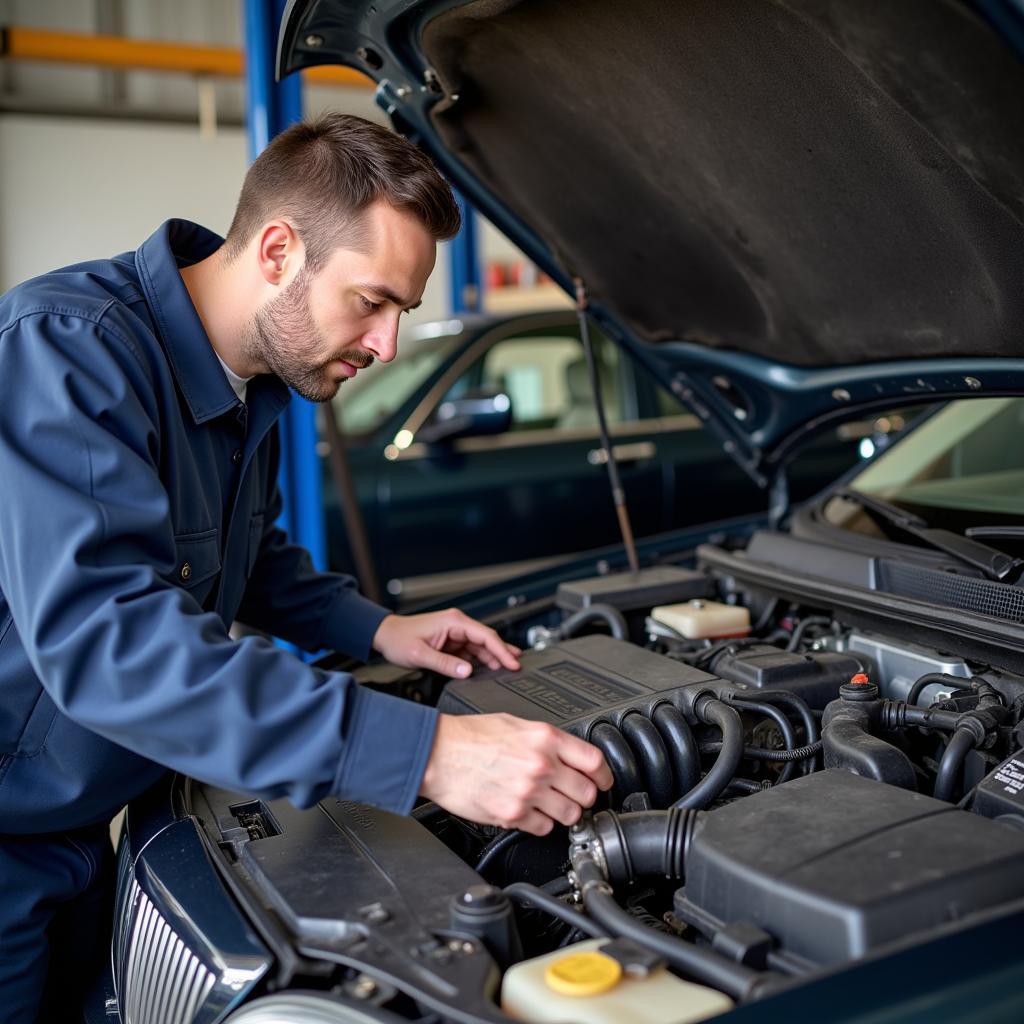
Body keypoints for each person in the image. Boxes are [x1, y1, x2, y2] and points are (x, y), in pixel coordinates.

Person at [0, 113, 612, 1021]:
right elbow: (110, 642)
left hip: (99, 823)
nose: (387, 345)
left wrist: (375, 628)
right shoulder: (71, 348)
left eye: (400, 311)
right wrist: (424, 753)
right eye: (372, 301)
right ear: (279, 250)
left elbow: (245, 560)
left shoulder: (257, 384)